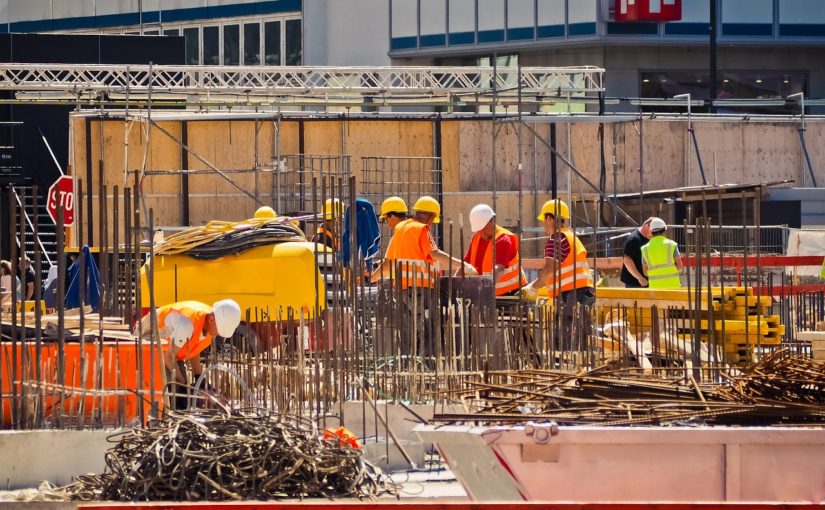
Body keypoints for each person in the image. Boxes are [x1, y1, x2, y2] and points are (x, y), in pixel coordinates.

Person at [370, 196, 476, 357]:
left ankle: (408, 364)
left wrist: (371, 278)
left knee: (408, 332)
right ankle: (427, 365)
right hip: (421, 290)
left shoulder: (400, 229)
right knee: (428, 329)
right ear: (432, 217)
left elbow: (388, 263)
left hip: (401, 290)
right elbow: (434, 253)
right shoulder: (422, 229)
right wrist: (463, 265)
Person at [140, 299, 242, 409]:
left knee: (181, 390)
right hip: (148, 339)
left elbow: (194, 350)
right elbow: (168, 357)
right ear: (212, 320)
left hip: (170, 350)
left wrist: (199, 377)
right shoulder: (187, 324)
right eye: (219, 331)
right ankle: (162, 415)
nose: (218, 335)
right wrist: (182, 382)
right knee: (173, 388)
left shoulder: (208, 324)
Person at [524, 199, 595, 349]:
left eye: (544, 219)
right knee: (580, 340)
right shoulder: (571, 237)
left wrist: (534, 288)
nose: (543, 224)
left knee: (565, 342)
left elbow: (550, 270)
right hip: (584, 293)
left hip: (570, 295)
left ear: (549, 219)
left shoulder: (556, 238)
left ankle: (566, 370)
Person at [465, 203, 527, 296]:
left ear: (493, 221)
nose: (483, 234)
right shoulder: (476, 238)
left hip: (511, 294)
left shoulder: (503, 239)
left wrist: (486, 287)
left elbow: (499, 269)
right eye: (479, 230)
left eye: (485, 229)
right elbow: (465, 264)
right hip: (488, 293)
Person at [641, 217, 683, 289]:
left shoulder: (644, 248)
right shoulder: (672, 245)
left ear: (651, 232)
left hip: (654, 287)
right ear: (664, 230)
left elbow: (645, 272)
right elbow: (680, 267)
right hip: (673, 286)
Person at [620, 217, 653, 288]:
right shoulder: (634, 239)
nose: (654, 233)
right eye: (653, 230)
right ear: (646, 226)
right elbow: (627, 260)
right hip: (634, 282)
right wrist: (640, 278)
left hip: (645, 281)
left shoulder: (648, 238)